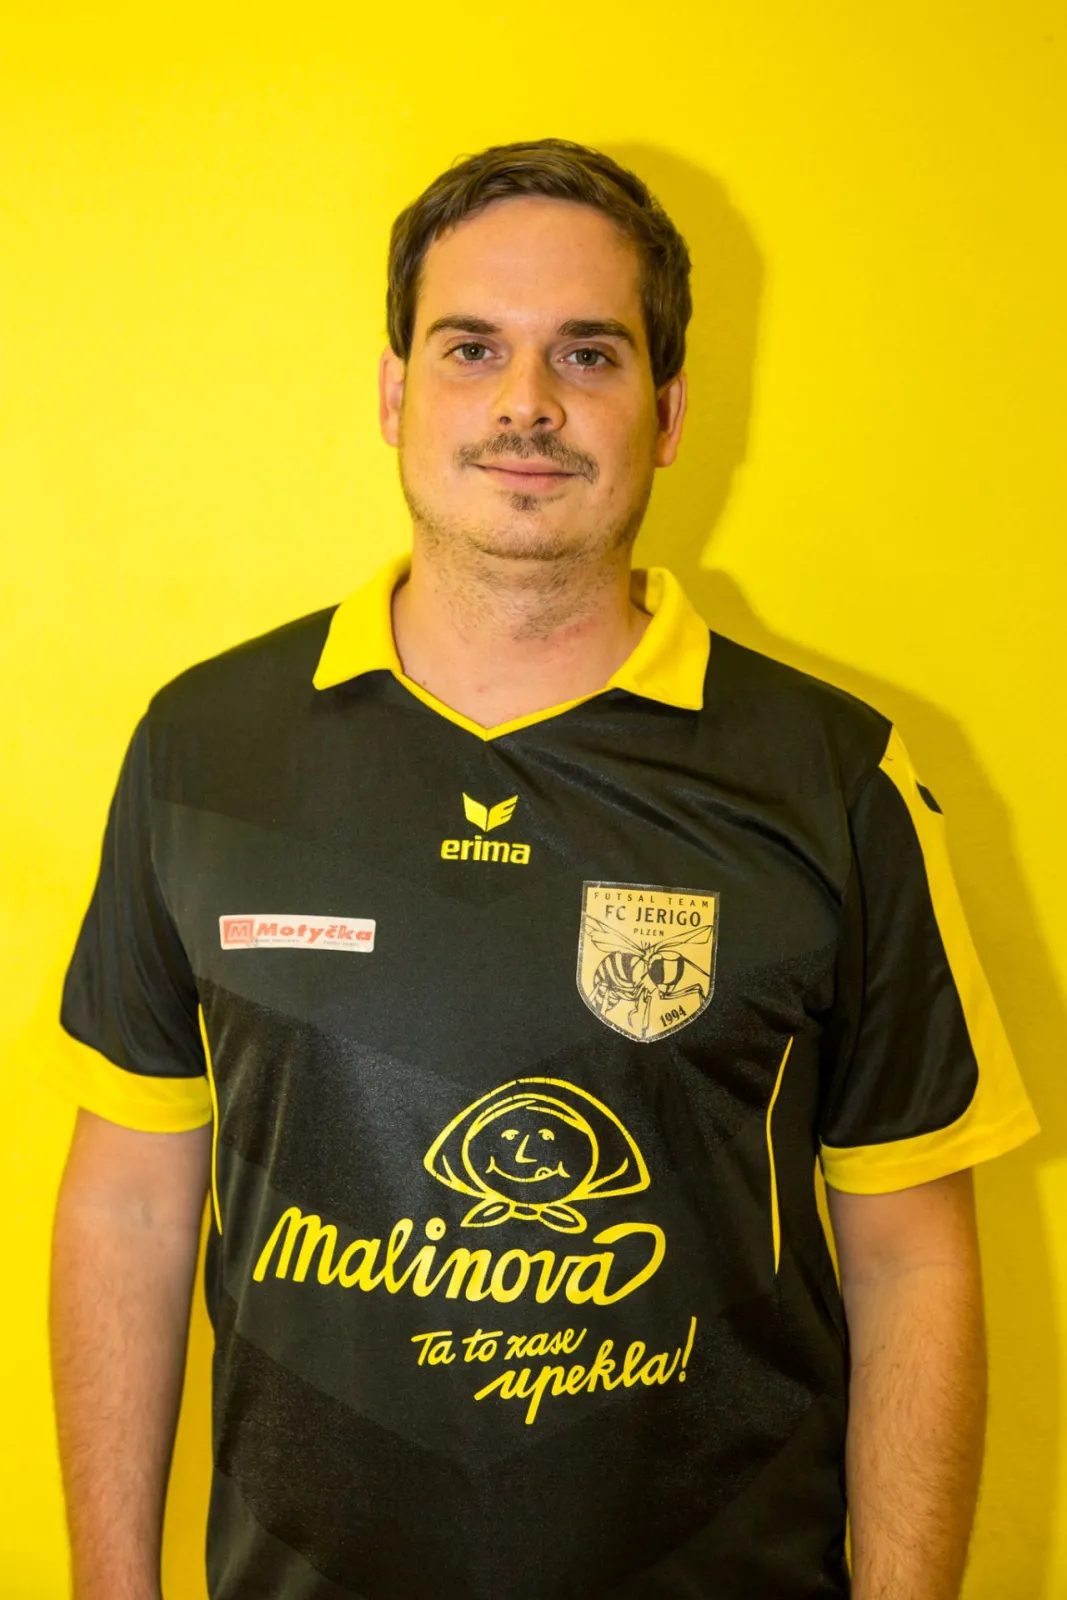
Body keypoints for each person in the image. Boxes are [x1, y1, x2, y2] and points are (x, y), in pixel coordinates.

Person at [48, 138, 1039, 1600]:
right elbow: (129, 1203)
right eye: (472, 349)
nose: (527, 402)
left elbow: (911, 1257)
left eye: (587, 352)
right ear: (395, 392)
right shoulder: (208, 748)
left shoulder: (835, 777)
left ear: (668, 410)